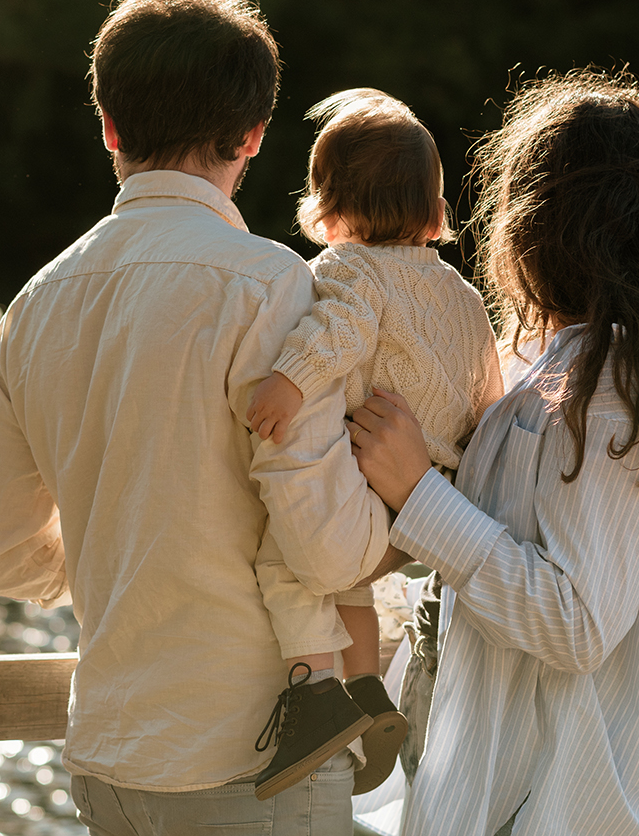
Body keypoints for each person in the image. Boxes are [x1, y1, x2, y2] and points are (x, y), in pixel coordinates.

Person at [0, 0, 397, 836]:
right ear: (253, 136)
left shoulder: (33, 305)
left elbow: (5, 559)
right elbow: (318, 539)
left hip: (112, 761)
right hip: (258, 758)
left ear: (109, 127)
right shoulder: (277, 286)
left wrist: (119, 539)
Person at [347, 69, 639, 836]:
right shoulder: (563, 362)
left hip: (554, 812)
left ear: (545, 222)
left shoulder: (619, 387)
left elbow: (577, 623)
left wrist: (418, 493)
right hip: (491, 797)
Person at [244, 88, 504, 799]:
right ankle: (368, 695)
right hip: (429, 505)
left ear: (328, 210)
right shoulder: (462, 293)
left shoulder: (346, 270)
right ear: (434, 209)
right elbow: (491, 398)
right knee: (354, 578)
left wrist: (289, 383)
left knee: (282, 561)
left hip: (365, 496)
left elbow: (339, 332)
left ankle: (315, 688)